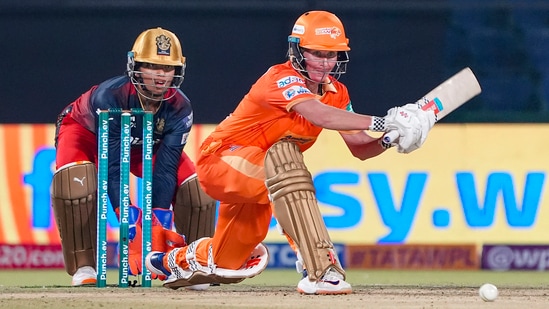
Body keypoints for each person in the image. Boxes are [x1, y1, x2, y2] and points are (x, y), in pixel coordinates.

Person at [145, 11, 436, 294]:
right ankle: (321, 268)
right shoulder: (279, 79)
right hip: (222, 161)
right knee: (286, 158)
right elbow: (318, 114)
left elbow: (360, 148)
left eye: (331, 55)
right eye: (317, 53)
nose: (325, 63)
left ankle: (170, 261)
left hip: (261, 178)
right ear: (297, 50)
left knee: (228, 261)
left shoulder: (337, 93)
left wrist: (389, 138)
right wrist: (385, 121)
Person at [51, 27, 216, 287]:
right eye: (151, 66)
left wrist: (158, 223)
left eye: (168, 68)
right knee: (75, 183)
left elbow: (165, 168)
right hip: (86, 132)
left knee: (197, 190)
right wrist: (129, 219)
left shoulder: (180, 108)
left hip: (144, 142)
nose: (161, 75)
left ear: (178, 71)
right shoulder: (110, 97)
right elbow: (113, 165)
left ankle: (190, 264)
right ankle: (84, 266)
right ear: (135, 66)